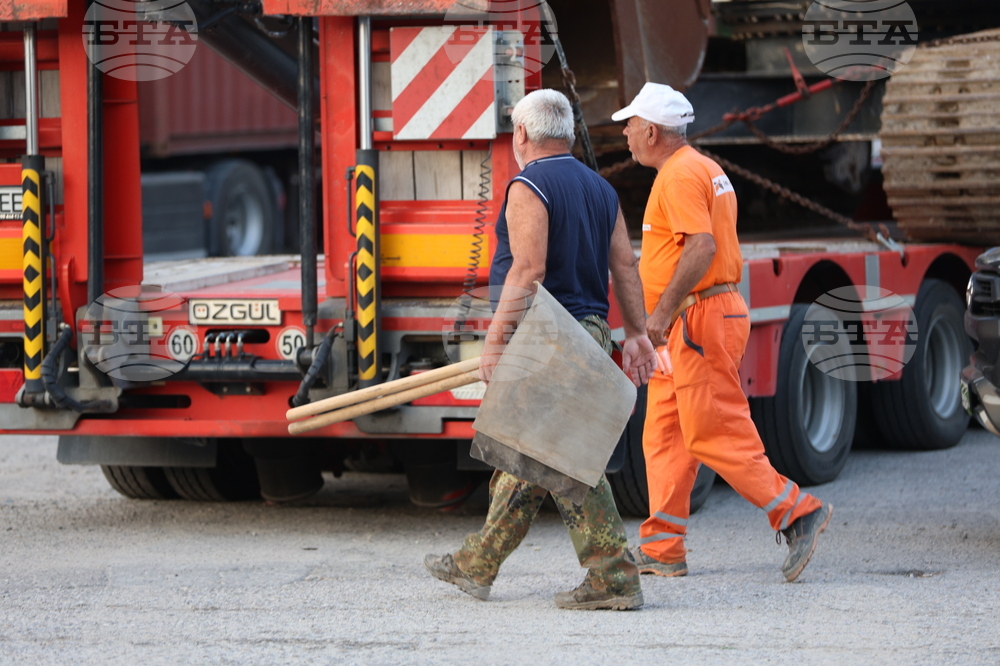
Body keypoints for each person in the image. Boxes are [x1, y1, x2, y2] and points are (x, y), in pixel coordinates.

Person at [424, 89, 657, 610]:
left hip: (550, 335)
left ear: (522, 135)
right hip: (591, 332)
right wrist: (636, 333)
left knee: (568, 461)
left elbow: (529, 271)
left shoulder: (528, 185)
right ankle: (477, 563)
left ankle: (614, 579)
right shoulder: (601, 189)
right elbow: (624, 266)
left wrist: (495, 339)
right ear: (568, 133)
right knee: (528, 458)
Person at [611, 82, 832, 583]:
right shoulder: (701, 168)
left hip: (696, 321)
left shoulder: (679, 175)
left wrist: (661, 314)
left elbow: (701, 248)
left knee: (714, 431)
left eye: (630, 124)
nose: (624, 133)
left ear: (651, 130)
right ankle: (662, 546)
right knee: (665, 434)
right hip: (697, 319)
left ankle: (798, 512)